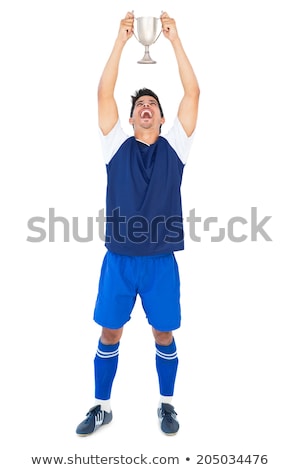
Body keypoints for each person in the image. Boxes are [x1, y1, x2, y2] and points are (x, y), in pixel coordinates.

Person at [76, 11, 200, 437]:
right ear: (130, 120)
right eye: (140, 106)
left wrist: (174, 39)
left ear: (162, 119)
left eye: (153, 106)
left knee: (162, 335)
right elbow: (103, 92)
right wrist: (121, 40)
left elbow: (193, 92)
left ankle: (167, 405)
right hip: (119, 261)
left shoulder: (177, 148)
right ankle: (101, 406)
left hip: (160, 262)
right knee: (110, 333)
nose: (145, 108)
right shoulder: (115, 146)